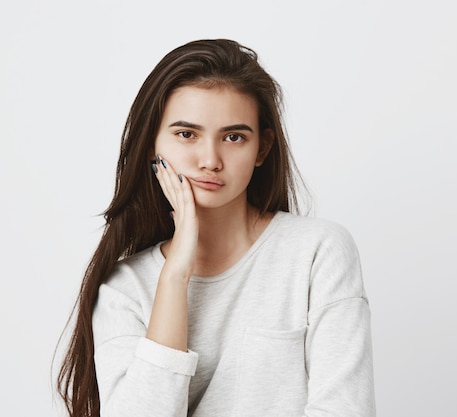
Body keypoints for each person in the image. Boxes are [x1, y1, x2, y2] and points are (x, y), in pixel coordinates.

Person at [56, 39, 375, 417]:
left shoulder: (316, 252)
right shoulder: (124, 290)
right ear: (150, 145)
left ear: (262, 148)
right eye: (186, 134)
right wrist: (175, 275)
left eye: (233, 137)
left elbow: (343, 409)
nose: (210, 160)